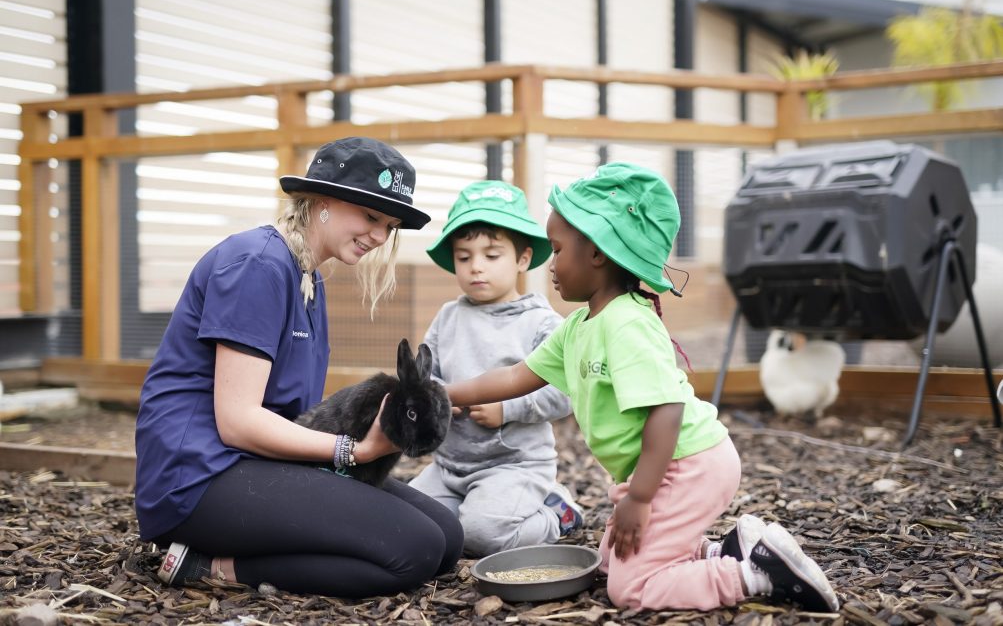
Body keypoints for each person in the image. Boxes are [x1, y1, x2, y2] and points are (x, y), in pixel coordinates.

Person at [446, 163, 840, 613]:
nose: (550, 266)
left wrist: (640, 498)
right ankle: (723, 550)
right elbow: (517, 377)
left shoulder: (627, 322)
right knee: (612, 561)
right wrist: (447, 393)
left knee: (630, 589)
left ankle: (756, 575)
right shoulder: (579, 326)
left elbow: (667, 410)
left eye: (557, 250)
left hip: (687, 463)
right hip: (661, 466)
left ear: (596, 253)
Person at [134, 137, 463, 598]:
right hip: (199, 477)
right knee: (415, 549)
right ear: (322, 198)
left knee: (446, 536)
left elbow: (295, 413)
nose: (379, 236)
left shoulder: (308, 275)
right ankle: (211, 565)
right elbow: (237, 421)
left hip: (255, 465)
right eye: (371, 216)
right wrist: (353, 451)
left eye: (389, 225)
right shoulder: (259, 265)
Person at [409, 180, 582, 556]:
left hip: (513, 466)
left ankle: (557, 513)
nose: (476, 268)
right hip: (449, 466)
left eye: (491, 255)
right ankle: (470, 513)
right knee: (410, 525)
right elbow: (426, 372)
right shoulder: (449, 315)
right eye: (464, 256)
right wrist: (436, 396)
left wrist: (509, 407)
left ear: (522, 259)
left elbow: (564, 393)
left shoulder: (540, 323)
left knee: (481, 537)